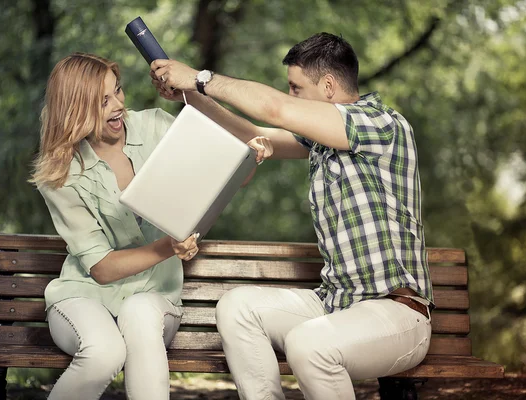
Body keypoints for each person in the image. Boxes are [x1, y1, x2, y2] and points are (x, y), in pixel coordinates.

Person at [149, 32, 434, 400]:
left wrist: (200, 78)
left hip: (398, 315)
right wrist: (192, 96)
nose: (291, 97)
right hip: (337, 305)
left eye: (296, 88)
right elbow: (251, 131)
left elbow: (275, 110)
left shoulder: (380, 125)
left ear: (329, 86)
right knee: (237, 308)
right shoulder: (321, 141)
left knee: (308, 344)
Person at [30, 52, 200, 400]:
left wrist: (245, 154)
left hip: (154, 299)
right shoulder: (59, 172)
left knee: (138, 313)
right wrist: (169, 246)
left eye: (117, 91)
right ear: (75, 110)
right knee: (105, 351)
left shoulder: (155, 126)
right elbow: (103, 269)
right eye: (102, 101)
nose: (118, 105)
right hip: (83, 296)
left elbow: (222, 170)